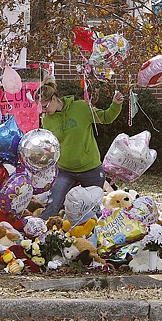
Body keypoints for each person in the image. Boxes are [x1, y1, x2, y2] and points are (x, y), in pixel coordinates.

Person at [36, 74, 124, 219]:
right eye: (41, 109)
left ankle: (96, 238)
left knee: (94, 211)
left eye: (45, 107)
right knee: (52, 206)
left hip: (90, 168)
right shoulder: (47, 120)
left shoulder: (81, 107)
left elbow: (106, 117)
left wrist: (115, 104)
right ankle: (39, 236)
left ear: (53, 99)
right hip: (65, 170)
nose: (44, 111)